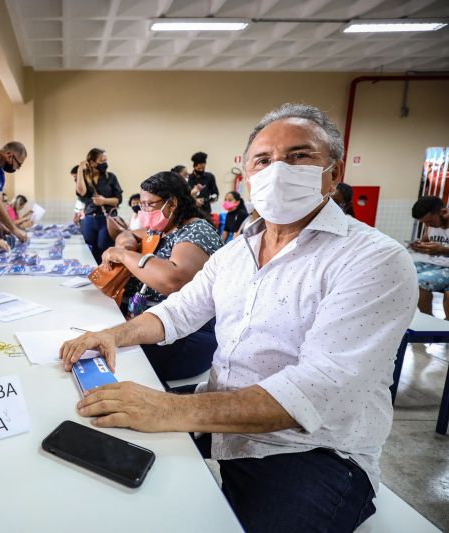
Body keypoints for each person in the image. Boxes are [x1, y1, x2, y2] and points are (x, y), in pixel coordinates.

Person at [61, 103, 417, 532]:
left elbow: (319, 390)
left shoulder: (373, 260)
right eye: (263, 161)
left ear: (334, 173)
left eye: (299, 156)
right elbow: (178, 312)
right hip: (223, 416)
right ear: (248, 176)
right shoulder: (236, 253)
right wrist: (114, 335)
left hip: (309, 451)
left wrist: (168, 408)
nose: (278, 170)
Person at [101, 172, 222, 383]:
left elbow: (173, 280)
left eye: (149, 205)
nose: (143, 211)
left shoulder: (197, 230)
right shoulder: (161, 229)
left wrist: (123, 255)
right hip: (151, 324)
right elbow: (128, 233)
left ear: (172, 203)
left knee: (111, 363)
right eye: (141, 205)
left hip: (185, 334)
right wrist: (126, 243)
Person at [75, 148, 123, 263]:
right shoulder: (85, 178)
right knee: (88, 250)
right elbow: (81, 192)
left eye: (106, 160)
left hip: (106, 219)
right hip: (89, 219)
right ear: (92, 163)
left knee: (104, 249)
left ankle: (105, 276)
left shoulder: (110, 177)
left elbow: (118, 199)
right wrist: (80, 170)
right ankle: (91, 276)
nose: (105, 163)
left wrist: (104, 201)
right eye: (102, 160)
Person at [410, 196, 449, 318]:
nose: (428, 225)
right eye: (425, 222)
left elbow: (441, 247)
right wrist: (419, 244)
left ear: (443, 212)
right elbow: (426, 239)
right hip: (435, 264)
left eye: (430, 221)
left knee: (420, 281)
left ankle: (428, 320)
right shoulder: (430, 225)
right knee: (405, 270)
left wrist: (443, 250)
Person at [188, 151, 219, 215]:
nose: (201, 170)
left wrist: (204, 200)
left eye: (203, 168)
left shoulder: (210, 177)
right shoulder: (188, 178)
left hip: (205, 211)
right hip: (191, 211)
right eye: (199, 168)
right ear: (194, 166)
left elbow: (215, 195)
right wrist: (194, 201)